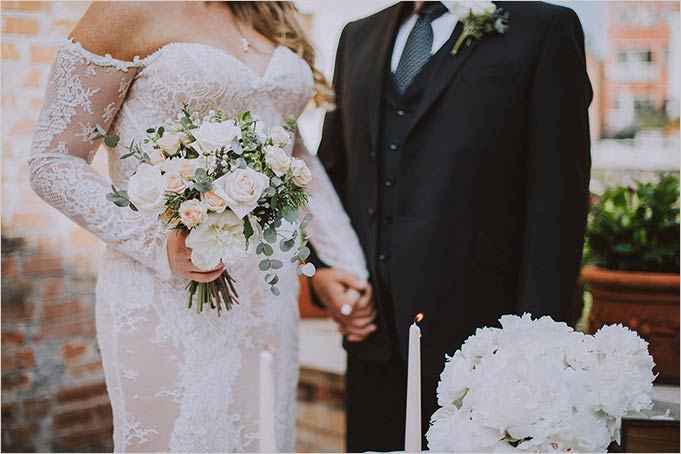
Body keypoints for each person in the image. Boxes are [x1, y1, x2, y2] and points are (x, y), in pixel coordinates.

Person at [28, 2, 368, 451]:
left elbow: (295, 156)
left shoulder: (269, 11)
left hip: (266, 296)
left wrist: (350, 267)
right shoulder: (125, 9)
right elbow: (53, 161)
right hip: (166, 294)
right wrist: (158, 244)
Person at [310, 1, 593, 451]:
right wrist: (320, 274)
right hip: (373, 343)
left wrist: (534, 350)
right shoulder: (356, 37)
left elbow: (559, 201)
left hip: (487, 351)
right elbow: (330, 179)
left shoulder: (544, 29)